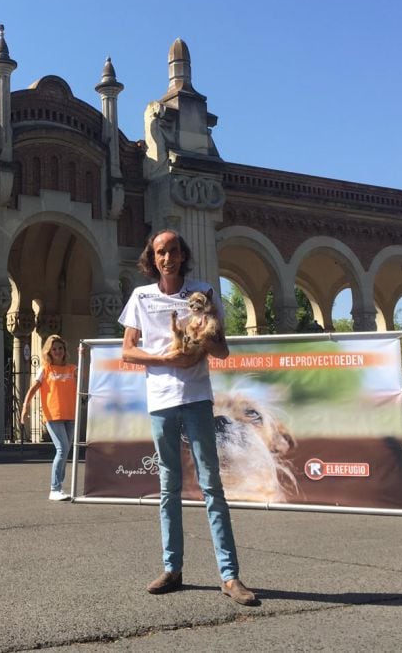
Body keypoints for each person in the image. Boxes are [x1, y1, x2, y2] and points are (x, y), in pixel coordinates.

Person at [118, 229, 258, 606]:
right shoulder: (140, 297)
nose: (168, 258)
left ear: (183, 255)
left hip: (196, 397)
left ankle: (230, 577)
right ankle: (172, 568)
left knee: (211, 485)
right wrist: (165, 359)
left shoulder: (204, 291)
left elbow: (223, 350)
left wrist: (203, 336)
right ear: (153, 257)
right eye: (161, 252)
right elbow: (128, 351)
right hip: (161, 400)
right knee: (169, 486)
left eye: (174, 251)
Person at [20, 334, 78, 501]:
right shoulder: (45, 369)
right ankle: (54, 488)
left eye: (60, 348)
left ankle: (59, 487)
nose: (57, 351)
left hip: (70, 415)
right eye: (54, 349)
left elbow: (83, 383)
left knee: (65, 450)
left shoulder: (72, 369)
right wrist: (25, 407)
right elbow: (33, 388)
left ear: (64, 350)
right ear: (49, 352)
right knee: (62, 448)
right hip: (53, 415)